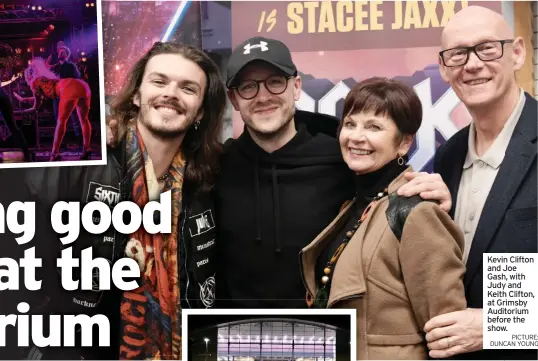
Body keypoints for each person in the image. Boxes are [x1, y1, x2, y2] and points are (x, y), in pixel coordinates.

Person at [6, 41, 225, 360]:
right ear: (137, 95)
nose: (171, 94)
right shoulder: (82, 169)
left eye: (188, 88)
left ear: (200, 111)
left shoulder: (207, 181)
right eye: (159, 81)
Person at [216, 36, 455, 309]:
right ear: (233, 99)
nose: (263, 96)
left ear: (295, 87)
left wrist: (427, 193)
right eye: (248, 87)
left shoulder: (343, 159)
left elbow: (389, 186)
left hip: (329, 341)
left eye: (275, 82)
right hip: (238, 340)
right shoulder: (215, 168)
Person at [300, 77, 467, 360]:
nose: (356, 136)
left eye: (374, 127)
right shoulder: (354, 204)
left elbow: (449, 332)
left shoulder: (417, 212)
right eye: (350, 124)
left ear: (403, 143)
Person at [423, 6, 537, 360]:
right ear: (444, 68)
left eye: (488, 48)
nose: (472, 64)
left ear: (516, 53)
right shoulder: (448, 157)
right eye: (458, 54)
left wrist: (500, 325)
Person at [13, 57, 92, 160]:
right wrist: (23, 100)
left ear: (29, 75)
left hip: (68, 88)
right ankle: (87, 149)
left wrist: (23, 111)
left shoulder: (34, 83)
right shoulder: (47, 78)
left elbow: (36, 105)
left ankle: (54, 153)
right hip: (82, 85)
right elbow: (40, 97)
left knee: (61, 121)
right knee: (84, 120)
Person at [0, 43, 30, 161]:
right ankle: (26, 154)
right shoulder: (3, 66)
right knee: (13, 127)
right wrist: (11, 81)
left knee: (13, 126)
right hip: (3, 97)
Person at [47, 43, 83, 141]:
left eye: (62, 52)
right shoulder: (56, 67)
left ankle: (79, 137)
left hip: (68, 95)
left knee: (73, 116)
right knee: (58, 116)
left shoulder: (71, 66)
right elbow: (46, 68)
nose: (60, 53)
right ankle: (62, 139)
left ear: (67, 55)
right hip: (58, 95)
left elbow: (77, 78)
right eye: (59, 52)